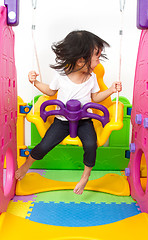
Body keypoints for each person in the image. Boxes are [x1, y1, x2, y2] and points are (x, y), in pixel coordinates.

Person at [15, 30, 122, 195]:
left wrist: (110, 90)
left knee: (91, 144)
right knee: (44, 145)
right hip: (61, 121)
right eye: (97, 57)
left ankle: (85, 176)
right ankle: (26, 165)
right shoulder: (61, 76)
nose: (98, 61)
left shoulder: (91, 77)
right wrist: (35, 82)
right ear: (81, 60)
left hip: (84, 121)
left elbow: (95, 97)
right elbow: (50, 92)